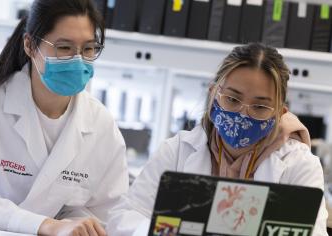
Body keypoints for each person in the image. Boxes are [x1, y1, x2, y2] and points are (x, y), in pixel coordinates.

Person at [0, 0, 129, 235]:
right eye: (64, 48)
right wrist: (47, 225)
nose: (78, 61)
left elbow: (107, 212)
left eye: (88, 49)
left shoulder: (101, 125)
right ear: (30, 45)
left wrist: (76, 223)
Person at [106, 43, 328, 236]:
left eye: (260, 107)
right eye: (232, 99)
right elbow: (125, 218)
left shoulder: (299, 165)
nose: (243, 114)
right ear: (213, 94)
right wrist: (161, 231)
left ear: (279, 113)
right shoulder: (178, 151)